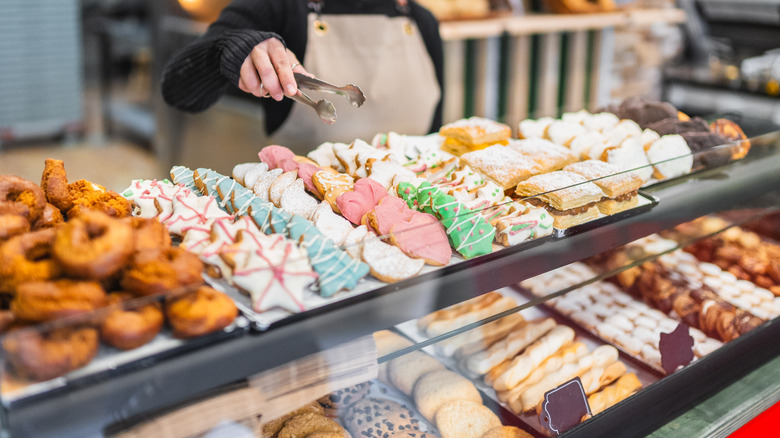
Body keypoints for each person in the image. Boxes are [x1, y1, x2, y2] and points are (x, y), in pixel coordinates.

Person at [162, 0, 443, 152]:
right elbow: (178, 88)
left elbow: (432, 144)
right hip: (304, 231)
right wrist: (231, 48)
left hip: (405, 225)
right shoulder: (280, 7)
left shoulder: (422, 22)